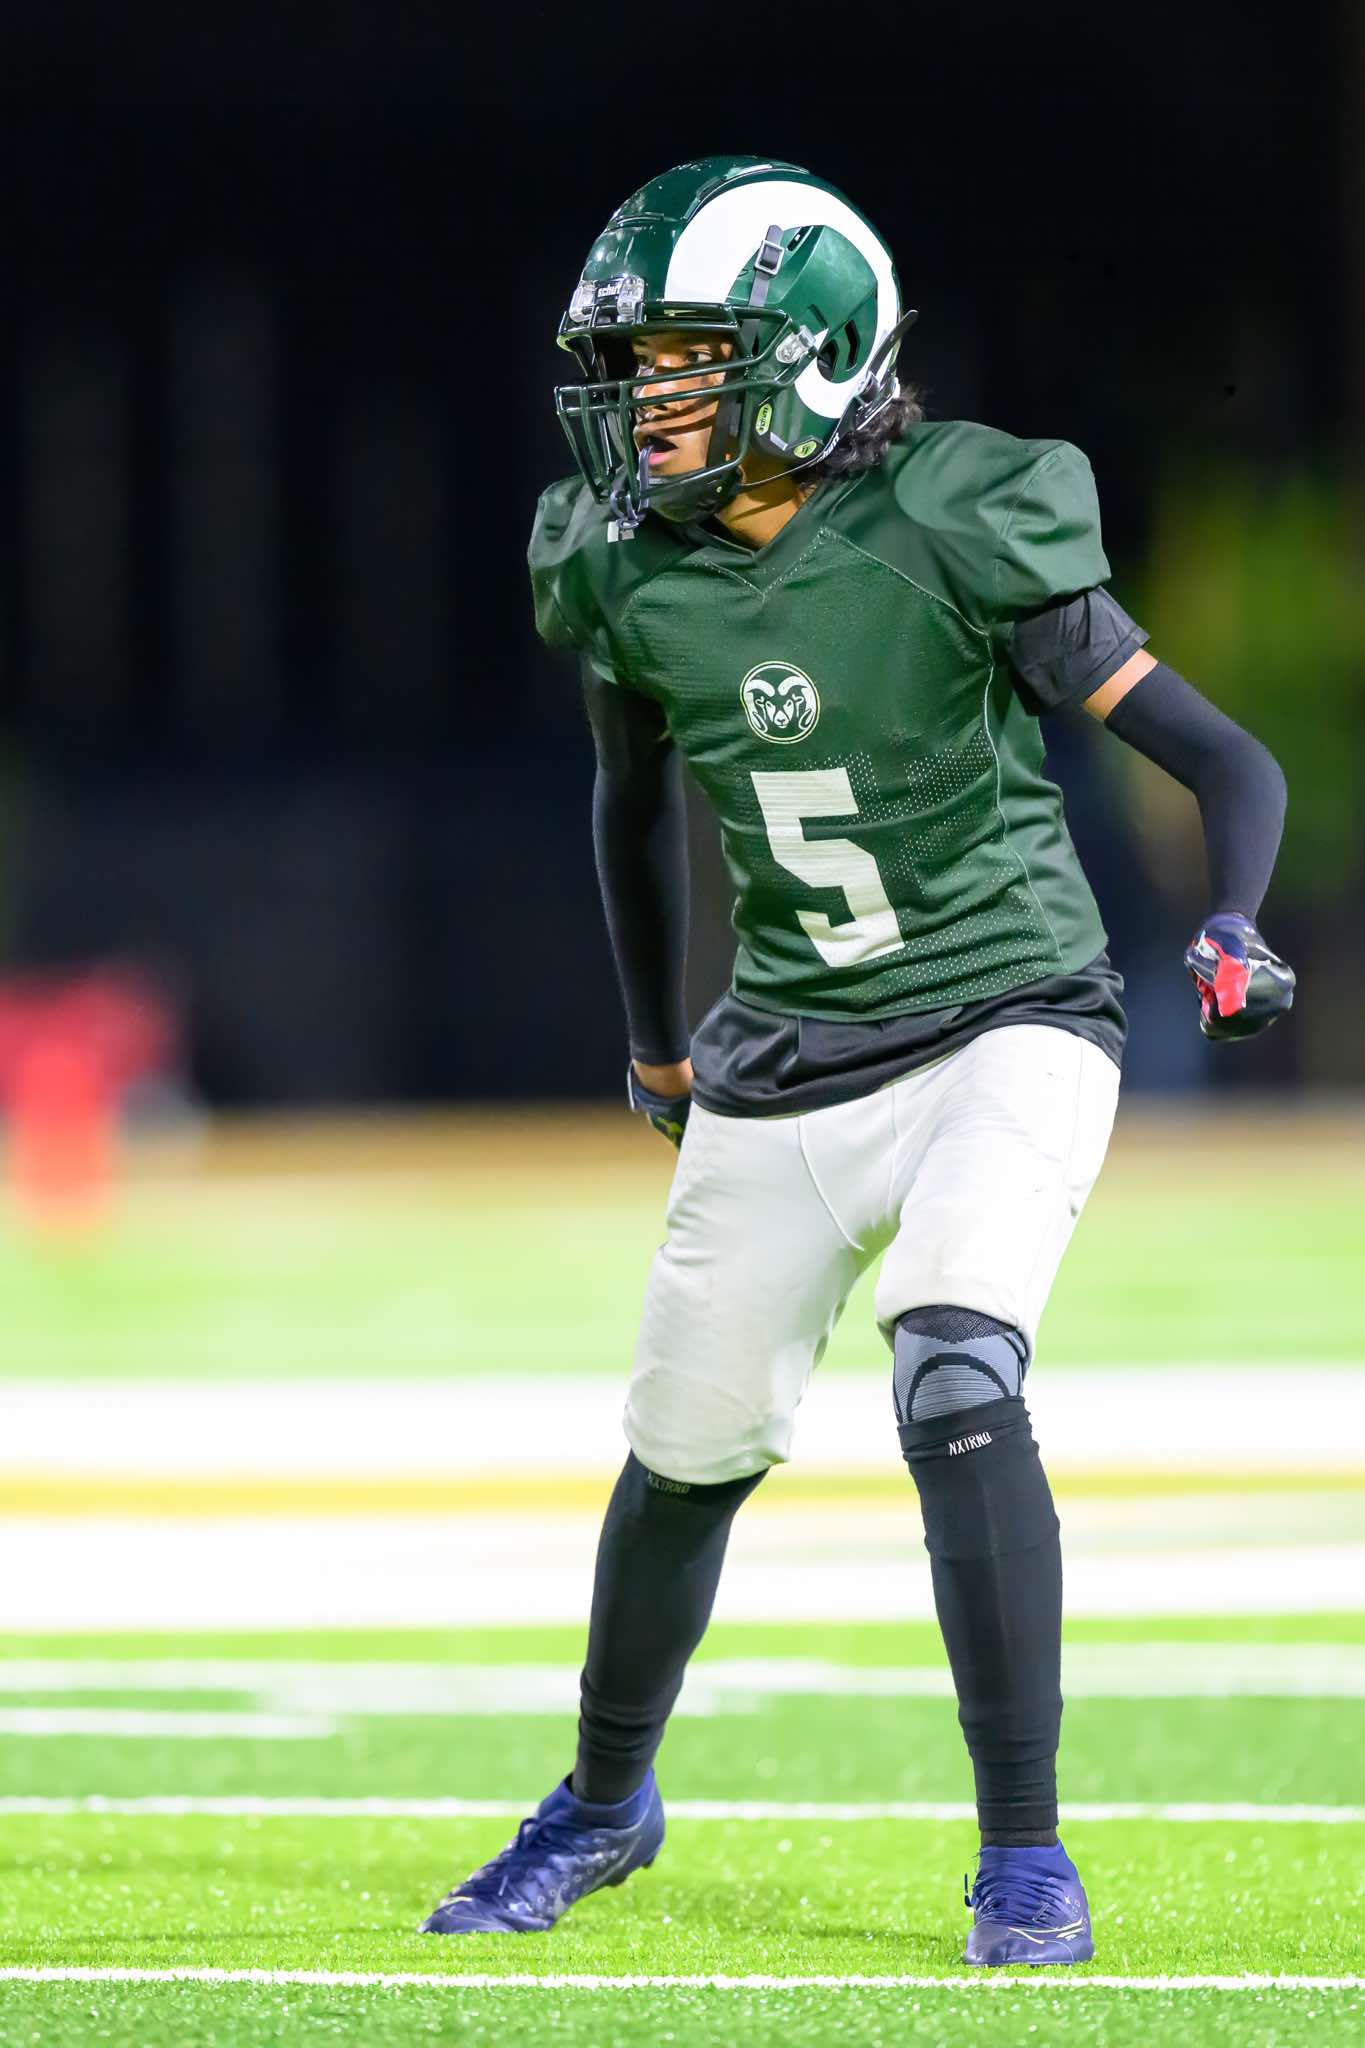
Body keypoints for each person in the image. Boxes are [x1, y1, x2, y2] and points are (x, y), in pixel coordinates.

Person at [421, 155, 1293, 1965]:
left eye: (687, 359)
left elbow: (1228, 762)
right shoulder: (623, 566)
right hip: (785, 1052)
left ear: (810, 356)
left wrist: (1228, 920)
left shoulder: (955, 515)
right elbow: (629, 803)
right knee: (682, 1454)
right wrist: (658, 1045)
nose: (647, 400)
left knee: (954, 1371)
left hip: (1004, 1017)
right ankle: (603, 1803)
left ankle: (1024, 1855)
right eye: (636, 365)